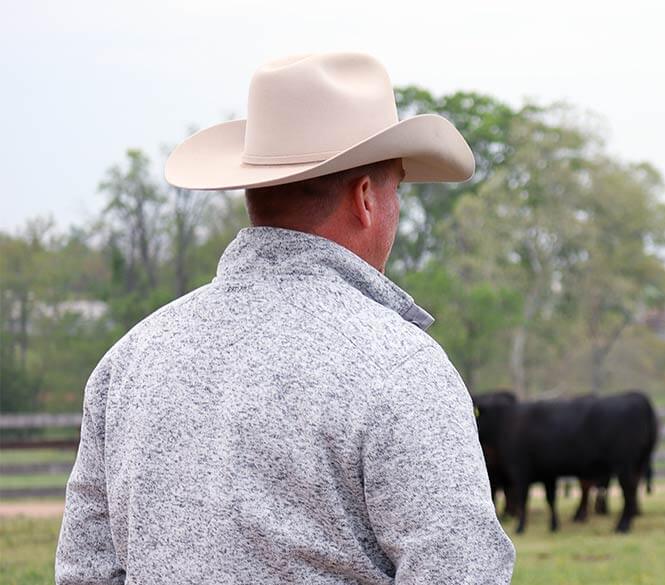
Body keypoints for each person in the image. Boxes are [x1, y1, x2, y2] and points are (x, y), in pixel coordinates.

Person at [56, 53, 515, 584]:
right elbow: (459, 570)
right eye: (397, 189)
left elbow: (86, 572)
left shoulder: (129, 362)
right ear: (366, 198)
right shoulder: (401, 367)